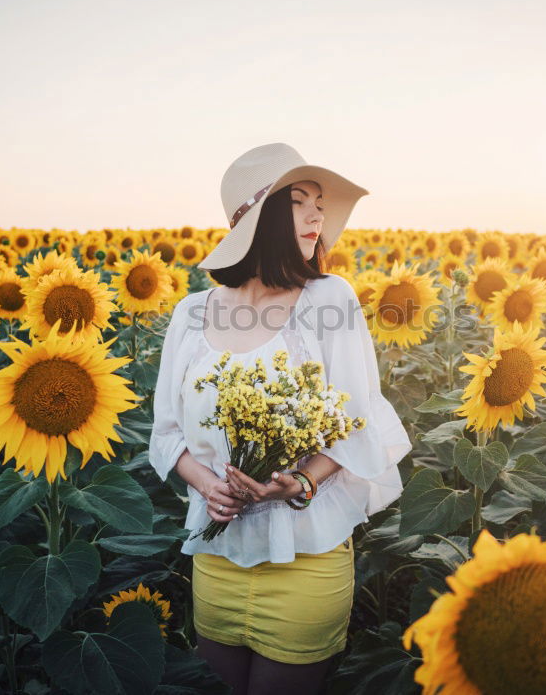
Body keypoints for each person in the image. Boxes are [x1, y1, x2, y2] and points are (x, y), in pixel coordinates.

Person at [148, 142, 413, 695]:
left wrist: (302, 481)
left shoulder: (328, 299)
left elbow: (356, 420)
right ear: (260, 217)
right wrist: (210, 488)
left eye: (320, 202)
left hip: (304, 556)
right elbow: (168, 433)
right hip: (216, 559)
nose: (318, 215)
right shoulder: (191, 314)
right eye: (299, 201)